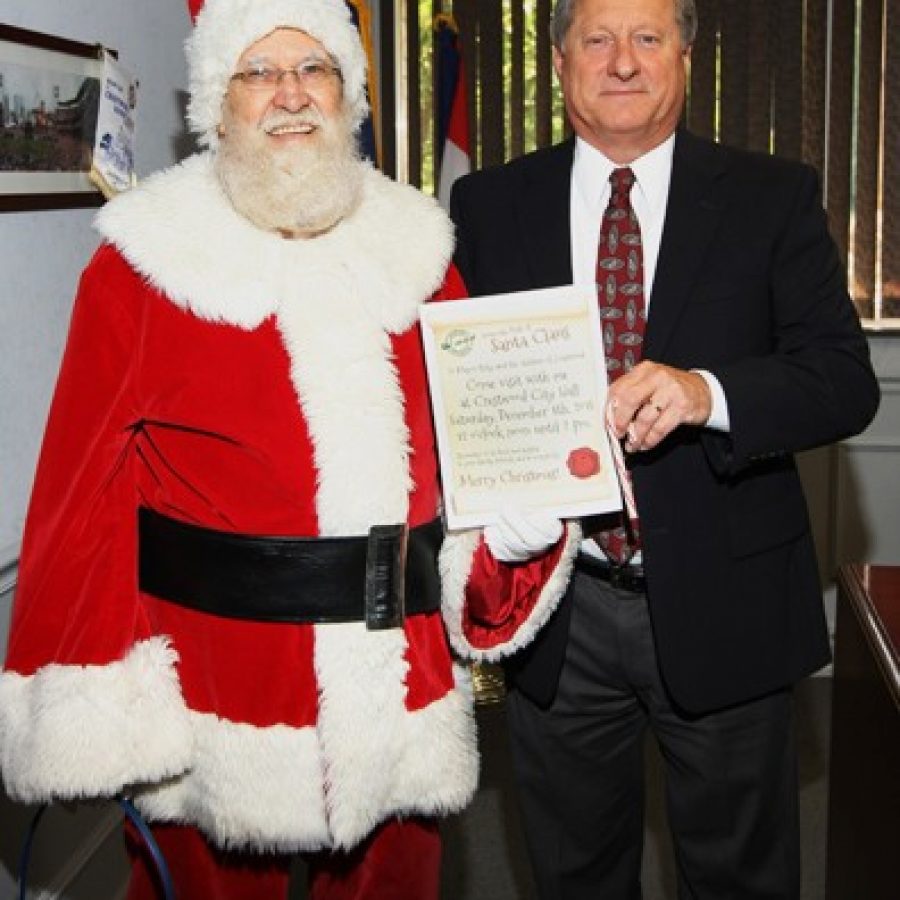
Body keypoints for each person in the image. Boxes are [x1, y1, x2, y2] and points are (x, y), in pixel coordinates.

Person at [0, 1, 482, 898]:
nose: (291, 95)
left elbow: (470, 449)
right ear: (218, 103)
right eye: (260, 73)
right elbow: (82, 486)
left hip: (397, 681)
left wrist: (504, 557)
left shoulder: (421, 251)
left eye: (315, 70)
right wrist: (91, 697)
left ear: (349, 93)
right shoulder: (145, 262)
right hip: (216, 693)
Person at [441, 0, 881, 897]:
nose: (624, 62)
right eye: (597, 39)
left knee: (741, 876)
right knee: (574, 874)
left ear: (685, 55)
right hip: (560, 607)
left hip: (730, 599)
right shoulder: (487, 204)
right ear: (559, 63)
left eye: (648, 38)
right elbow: (455, 384)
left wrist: (705, 393)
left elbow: (842, 380)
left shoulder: (772, 196)